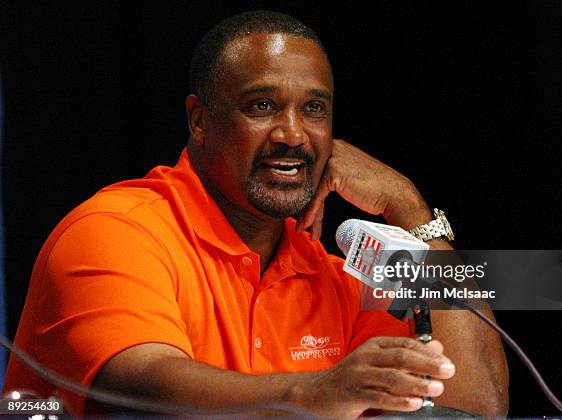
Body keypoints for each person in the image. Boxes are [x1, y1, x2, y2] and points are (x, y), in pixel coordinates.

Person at [4, 11, 509, 418]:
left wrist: (409, 208)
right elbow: (142, 399)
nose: (292, 135)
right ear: (199, 121)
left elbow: (472, 405)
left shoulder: (333, 271)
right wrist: (312, 395)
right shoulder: (116, 231)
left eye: (314, 110)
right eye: (263, 106)